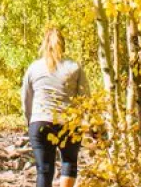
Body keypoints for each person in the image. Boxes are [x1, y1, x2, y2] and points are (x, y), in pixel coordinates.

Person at [22, 27, 89, 187]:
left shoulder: (33, 68)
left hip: (40, 121)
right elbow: (85, 98)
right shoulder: (74, 67)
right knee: (69, 163)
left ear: (44, 45)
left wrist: (30, 120)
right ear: (63, 45)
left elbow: (26, 99)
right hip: (69, 123)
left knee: (43, 170)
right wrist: (88, 123)